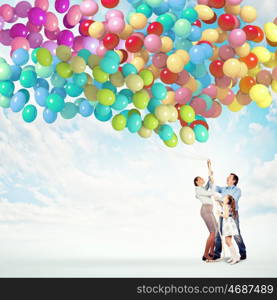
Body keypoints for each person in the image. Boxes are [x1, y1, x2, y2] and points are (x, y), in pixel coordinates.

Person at [208, 161, 247, 261]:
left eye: (229, 177)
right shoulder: (223, 188)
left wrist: (219, 199)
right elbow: (213, 187)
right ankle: (217, 253)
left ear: (234, 181)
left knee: (236, 234)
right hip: (223, 214)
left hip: (232, 214)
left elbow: (231, 200)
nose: (227, 178)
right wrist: (210, 172)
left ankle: (242, 252)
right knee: (219, 232)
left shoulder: (237, 190)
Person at [194, 160, 218, 262]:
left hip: (209, 210)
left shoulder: (203, 188)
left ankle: (211, 252)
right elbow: (211, 192)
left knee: (215, 231)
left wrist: (209, 166)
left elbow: (210, 178)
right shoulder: (198, 189)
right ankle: (205, 254)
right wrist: (213, 186)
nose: (202, 179)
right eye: (200, 179)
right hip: (205, 210)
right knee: (212, 232)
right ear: (197, 182)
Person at [217, 194, 240, 265]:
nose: (223, 198)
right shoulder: (226, 205)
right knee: (228, 241)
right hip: (228, 223)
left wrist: (219, 214)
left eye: (224, 198)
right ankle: (234, 256)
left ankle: (235, 257)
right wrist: (217, 200)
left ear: (227, 201)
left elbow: (226, 215)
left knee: (228, 242)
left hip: (228, 224)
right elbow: (221, 203)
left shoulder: (226, 206)